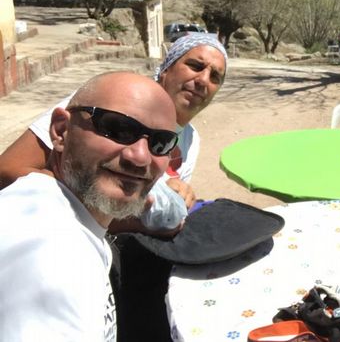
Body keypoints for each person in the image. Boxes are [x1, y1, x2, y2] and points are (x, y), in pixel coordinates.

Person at [0, 72, 177, 341]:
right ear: (61, 131)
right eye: (118, 129)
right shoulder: (55, 256)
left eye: (160, 143)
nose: (140, 157)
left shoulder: (59, 214)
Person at [0, 32, 228, 234]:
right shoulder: (107, 103)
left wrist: (177, 198)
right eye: (195, 66)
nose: (203, 80)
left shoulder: (191, 140)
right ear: (166, 69)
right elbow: (7, 169)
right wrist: (134, 221)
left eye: (215, 77)